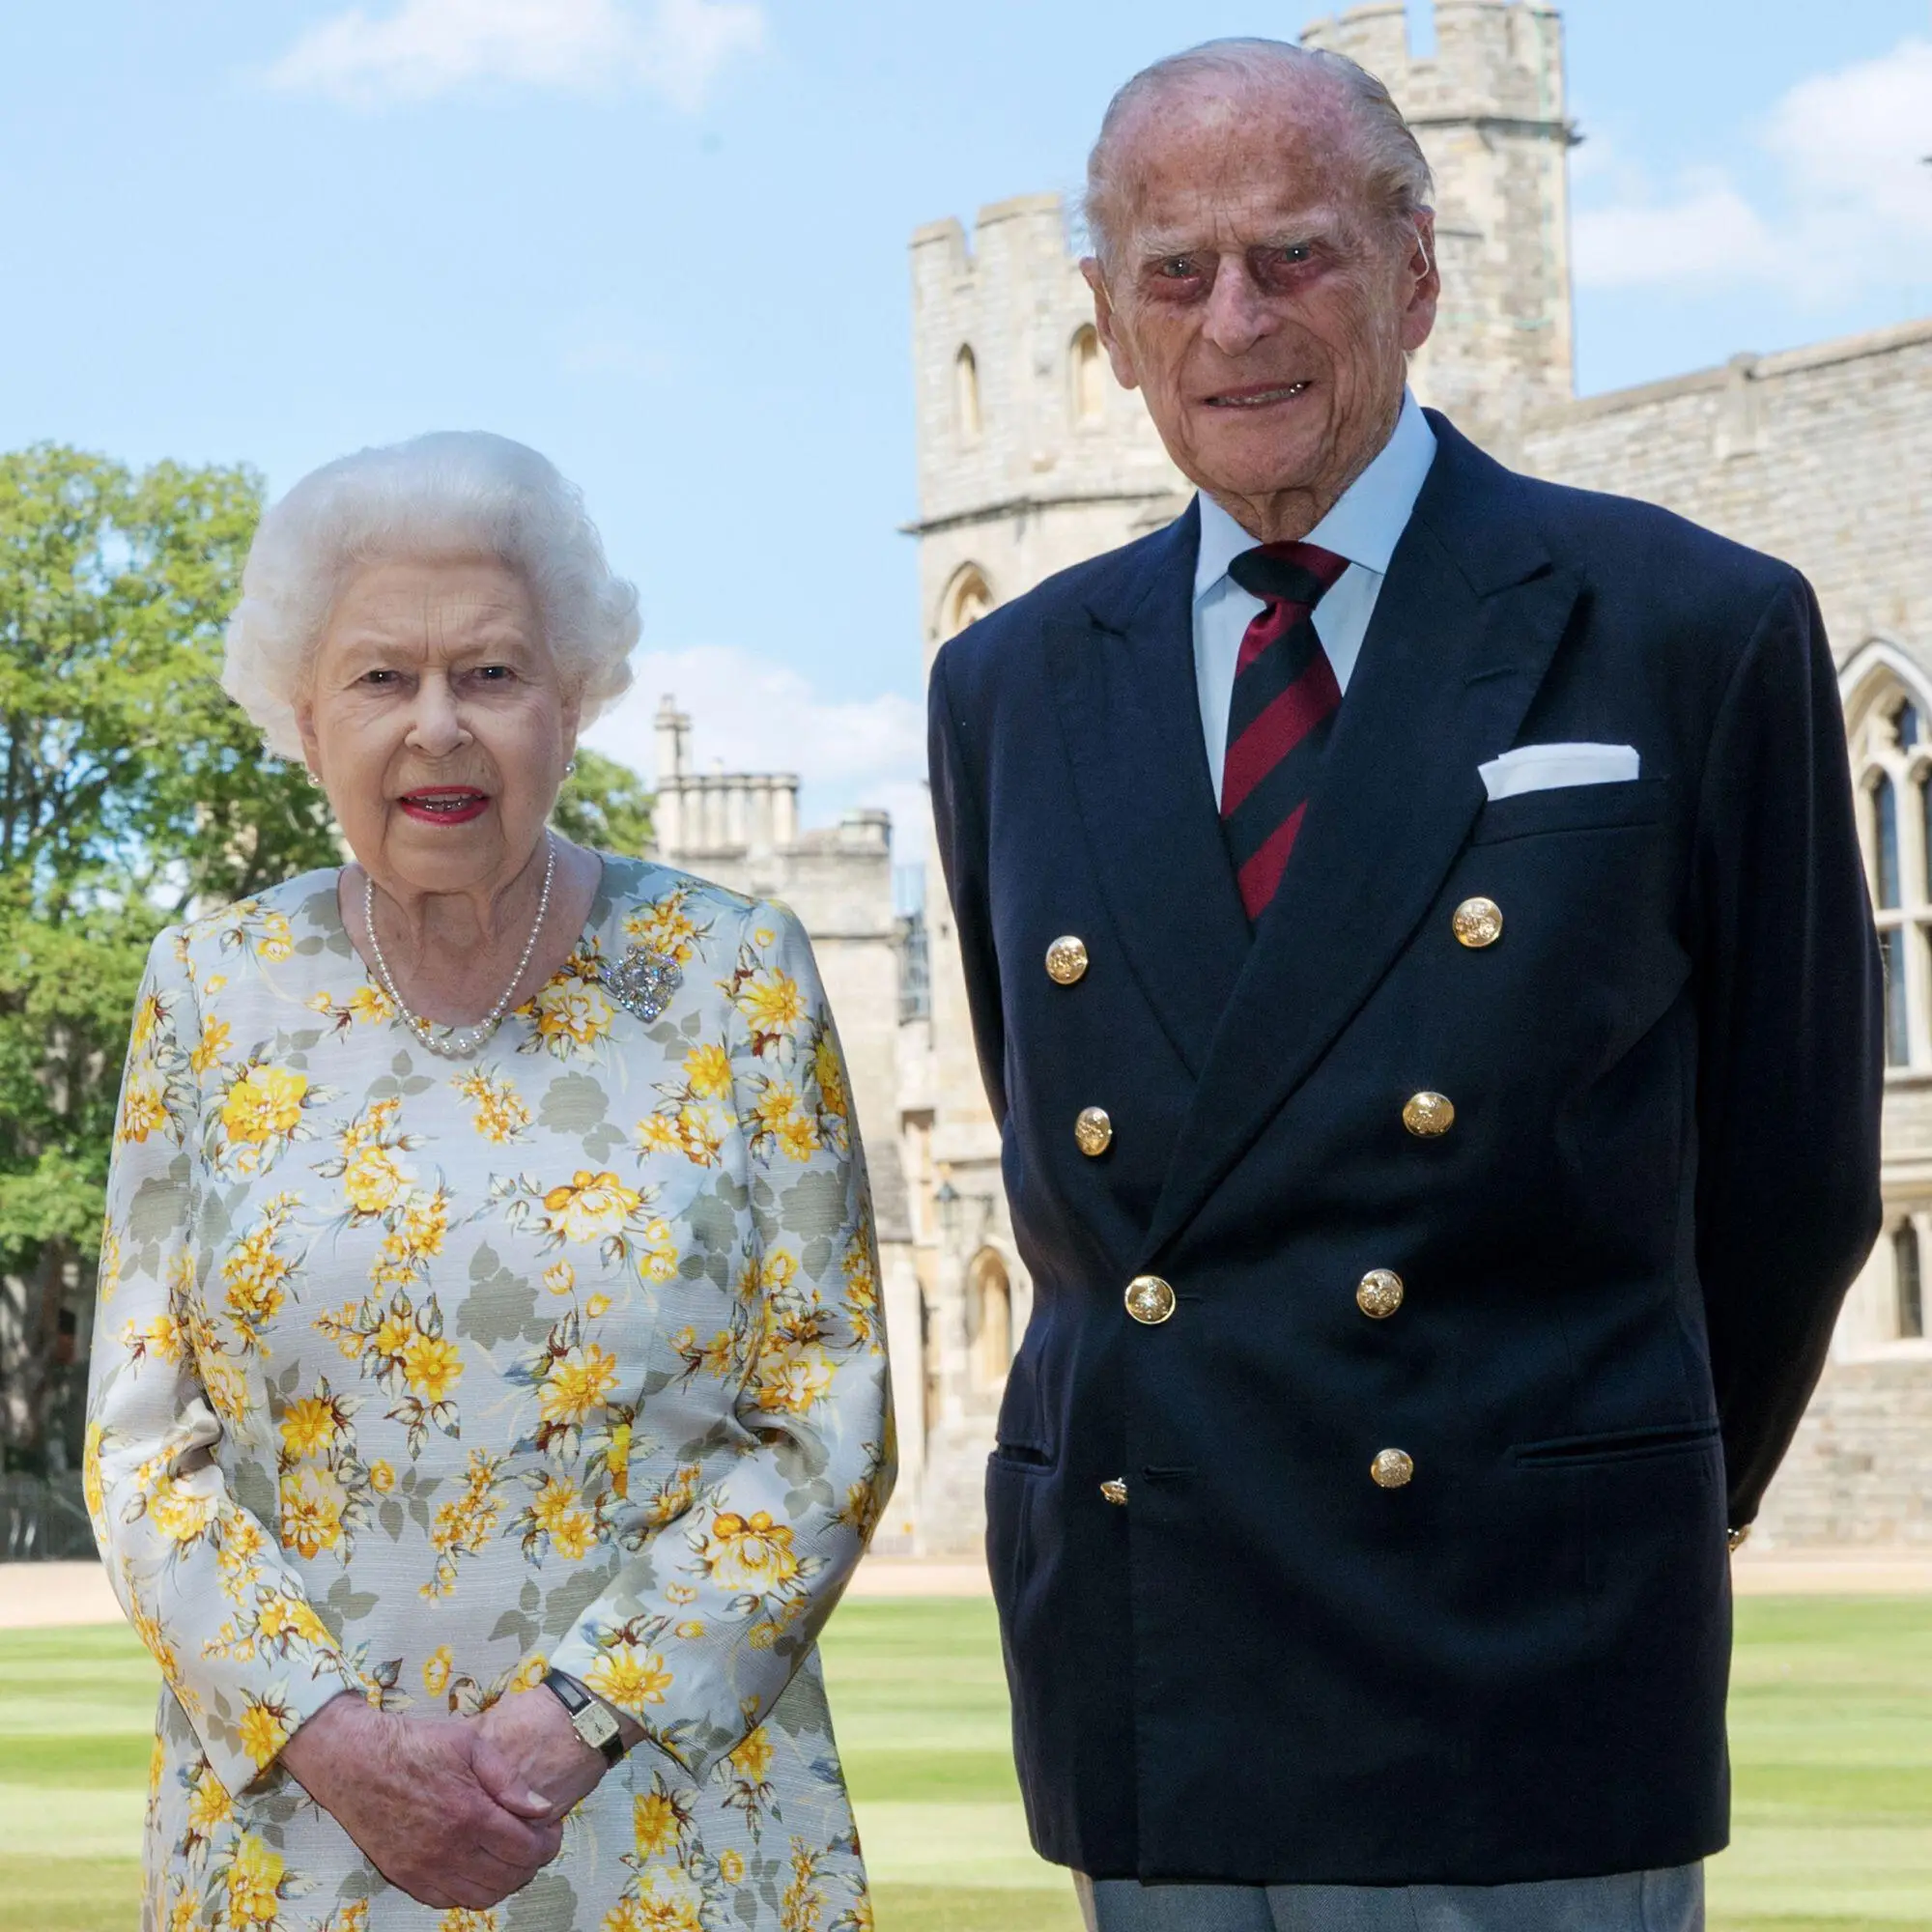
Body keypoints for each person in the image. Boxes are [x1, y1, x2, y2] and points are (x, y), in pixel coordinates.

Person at [925, 40, 1882, 1932]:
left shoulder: (1687, 625)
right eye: (1174, 276)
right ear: (1104, 329)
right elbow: (1065, 1146)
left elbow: (1792, 1176)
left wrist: (1615, 1492)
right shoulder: (1011, 680)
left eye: (1294, 257)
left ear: (1418, 275)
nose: (1235, 323)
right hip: (1153, 1657)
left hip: (1516, 1644)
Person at [86, 432, 894, 1932]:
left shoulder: (737, 978)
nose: (438, 727)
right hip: (299, 1844)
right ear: (302, 714)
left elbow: (828, 1419)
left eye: (494, 675)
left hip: (674, 1827)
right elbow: (141, 1448)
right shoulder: (207, 986)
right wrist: (335, 1742)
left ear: (574, 701)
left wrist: (575, 1719)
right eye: (383, 679)